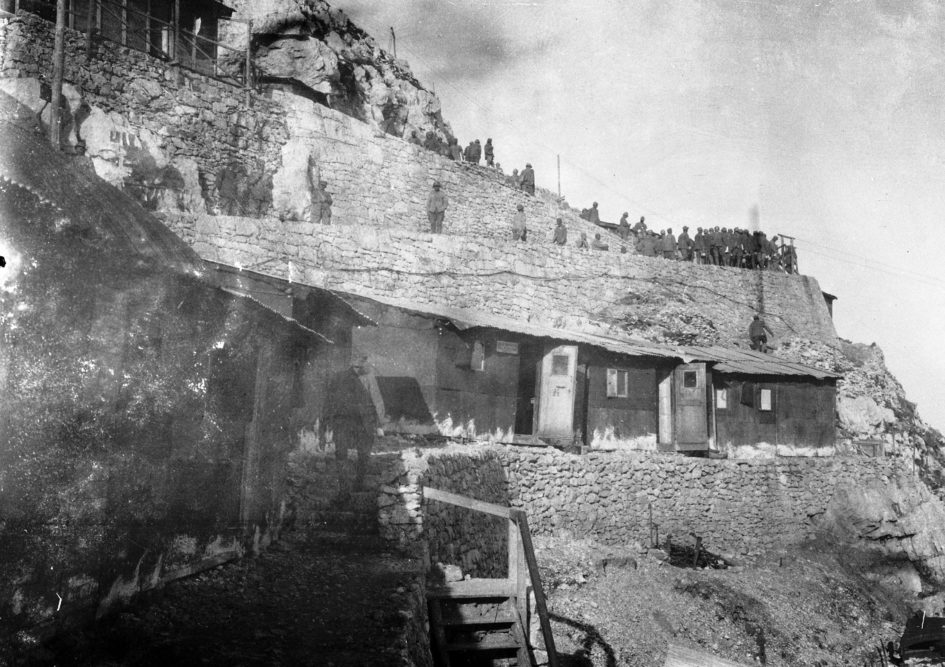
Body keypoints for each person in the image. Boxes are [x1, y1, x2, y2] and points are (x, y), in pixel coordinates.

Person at [322, 359, 379, 490]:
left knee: (363, 454)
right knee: (342, 454)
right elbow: (329, 400)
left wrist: (379, 425)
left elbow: (377, 400)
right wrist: (327, 422)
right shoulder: (339, 378)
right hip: (344, 422)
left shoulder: (369, 378)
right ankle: (344, 488)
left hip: (362, 423)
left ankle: (358, 484)